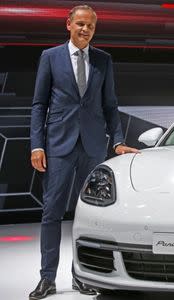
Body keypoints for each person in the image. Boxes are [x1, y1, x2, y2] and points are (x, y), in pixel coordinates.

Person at [29, 5, 139, 299]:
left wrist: (116, 141)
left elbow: (110, 105)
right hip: (58, 146)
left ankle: (82, 276)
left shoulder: (104, 60)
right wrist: (37, 144)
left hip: (91, 147)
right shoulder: (50, 57)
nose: (85, 30)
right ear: (68, 24)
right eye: (80, 24)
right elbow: (39, 104)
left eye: (90, 26)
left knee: (89, 217)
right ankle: (47, 278)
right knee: (51, 213)